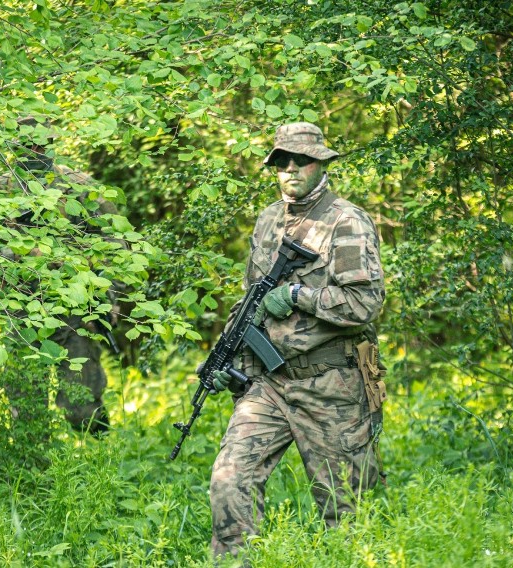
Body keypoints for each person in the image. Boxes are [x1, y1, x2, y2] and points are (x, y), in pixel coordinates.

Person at [206, 122, 386, 558]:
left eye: (300, 160)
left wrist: (298, 296)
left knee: (350, 509)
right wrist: (227, 361)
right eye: (281, 162)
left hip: (332, 384)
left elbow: (364, 303)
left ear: (319, 163)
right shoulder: (269, 220)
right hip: (269, 383)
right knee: (229, 481)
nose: (290, 169)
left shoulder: (346, 221)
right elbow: (252, 298)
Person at [0, 116, 117, 434]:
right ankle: (31, 477)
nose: (35, 150)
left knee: (82, 408)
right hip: (19, 315)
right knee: (27, 412)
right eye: (27, 144)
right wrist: (19, 257)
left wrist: (109, 298)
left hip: (74, 316)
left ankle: (97, 467)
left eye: (41, 143)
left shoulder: (79, 188)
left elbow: (114, 245)